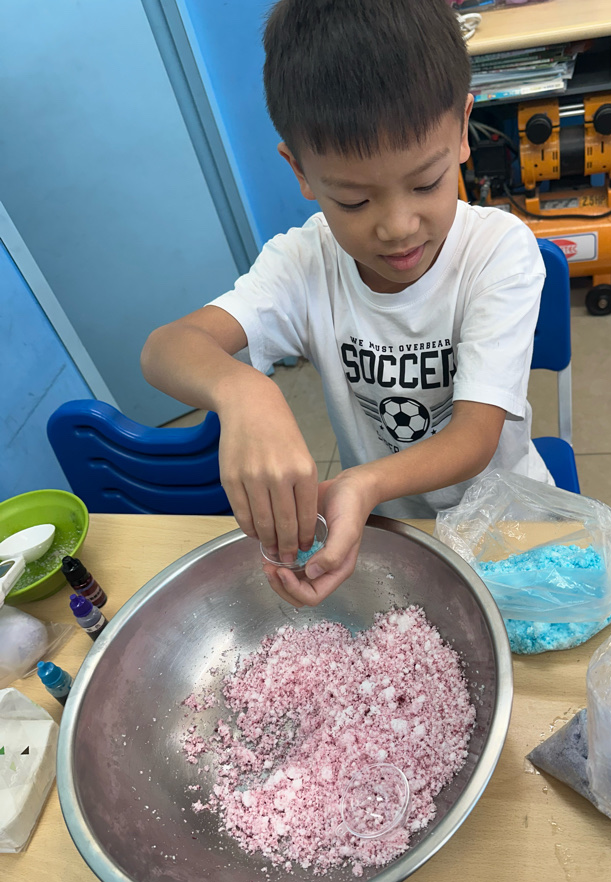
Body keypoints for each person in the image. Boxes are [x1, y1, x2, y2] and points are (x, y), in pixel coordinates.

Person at [141, 0, 551, 609]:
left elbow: (475, 437)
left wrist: (362, 483)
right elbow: (166, 349)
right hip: (394, 531)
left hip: (510, 526)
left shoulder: (499, 251)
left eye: (426, 182)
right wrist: (244, 392)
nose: (398, 226)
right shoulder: (304, 263)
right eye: (354, 202)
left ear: (463, 128)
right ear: (300, 171)